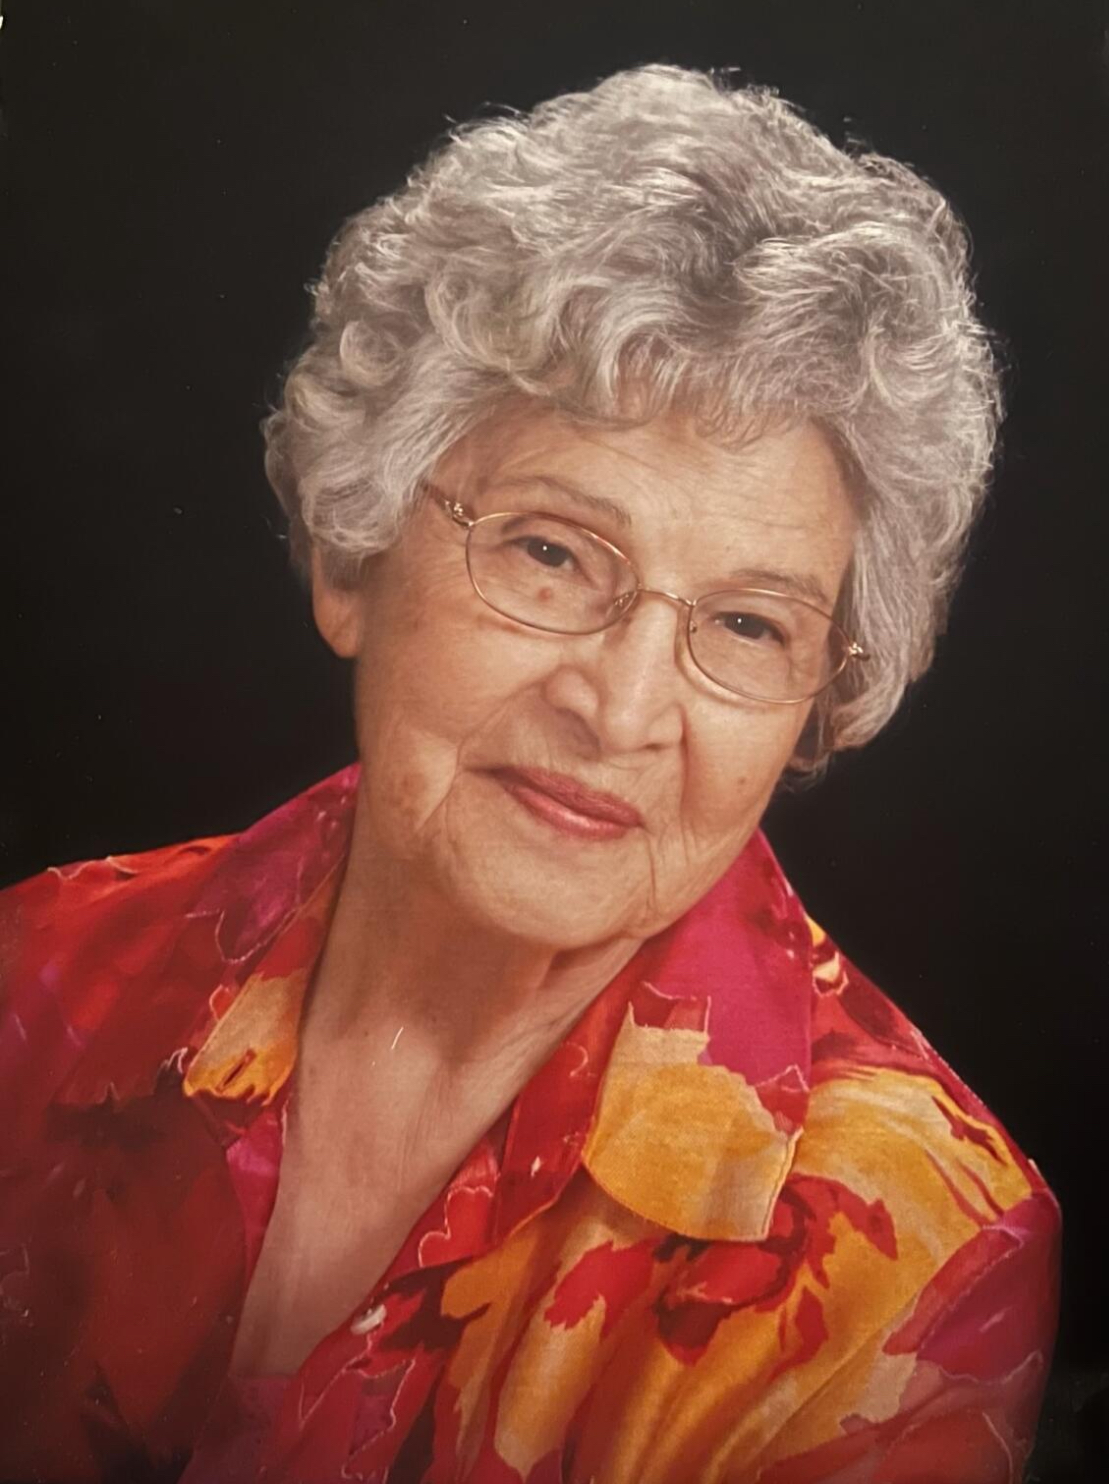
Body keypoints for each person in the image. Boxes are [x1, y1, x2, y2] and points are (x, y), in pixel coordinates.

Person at [0, 65, 1059, 1484]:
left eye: (748, 626)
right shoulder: (36, 979)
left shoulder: (900, 1244)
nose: (621, 708)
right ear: (352, 554)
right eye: (551, 552)